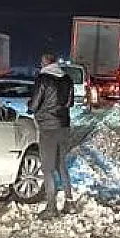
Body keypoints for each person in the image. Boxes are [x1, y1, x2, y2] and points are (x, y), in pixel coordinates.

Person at [28, 53, 75, 218]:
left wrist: (30, 106)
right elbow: (70, 103)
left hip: (48, 128)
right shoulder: (67, 79)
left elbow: (34, 105)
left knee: (47, 168)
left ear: (45, 63)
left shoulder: (43, 79)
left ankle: (51, 208)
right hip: (64, 127)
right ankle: (70, 203)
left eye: (41, 62)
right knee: (62, 165)